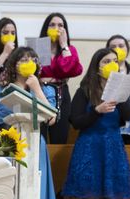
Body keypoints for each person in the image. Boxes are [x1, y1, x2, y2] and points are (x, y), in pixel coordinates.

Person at [62, 48, 130, 199]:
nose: (112, 63)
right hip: (90, 148)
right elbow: (76, 121)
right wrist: (97, 110)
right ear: (97, 65)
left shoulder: (120, 86)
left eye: (115, 61)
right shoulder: (85, 90)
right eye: (106, 61)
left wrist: (120, 88)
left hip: (112, 147)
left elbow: (128, 114)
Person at [0, 46, 57, 199]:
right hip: (8, 146)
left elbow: (51, 119)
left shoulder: (46, 90)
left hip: (35, 145)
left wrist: (36, 89)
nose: (29, 63)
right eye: (23, 60)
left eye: (33, 60)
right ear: (14, 64)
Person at [38, 12, 83, 144]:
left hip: (61, 94)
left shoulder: (70, 49)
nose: (56, 28)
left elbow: (68, 69)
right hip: (40, 93)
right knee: (40, 137)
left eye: (60, 25)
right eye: (52, 25)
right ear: (46, 28)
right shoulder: (38, 47)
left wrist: (64, 46)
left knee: (60, 137)